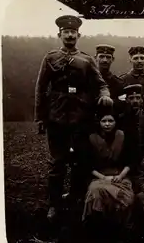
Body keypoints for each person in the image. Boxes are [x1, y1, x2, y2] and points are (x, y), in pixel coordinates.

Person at [34, 15, 113, 220]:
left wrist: (105, 95)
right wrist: (40, 118)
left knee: (80, 162)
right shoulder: (50, 58)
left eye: (73, 32)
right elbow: (41, 88)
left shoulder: (87, 60)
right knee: (57, 163)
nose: (70, 35)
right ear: (59, 34)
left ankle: (77, 199)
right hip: (57, 117)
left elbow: (100, 83)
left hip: (81, 118)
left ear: (79, 35)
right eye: (66, 32)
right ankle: (54, 203)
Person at [82, 106, 134, 242]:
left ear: (115, 122)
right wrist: (103, 177)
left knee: (124, 198)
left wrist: (120, 176)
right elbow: (87, 165)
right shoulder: (91, 138)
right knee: (96, 192)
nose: (107, 124)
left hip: (120, 176)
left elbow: (131, 161)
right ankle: (97, 231)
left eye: (110, 121)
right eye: (103, 121)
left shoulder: (123, 136)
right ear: (98, 122)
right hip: (98, 177)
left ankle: (119, 231)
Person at [116, 84, 144, 173]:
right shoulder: (121, 119)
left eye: (138, 98)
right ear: (126, 100)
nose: (135, 101)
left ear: (142, 100)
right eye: (131, 98)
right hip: (127, 161)